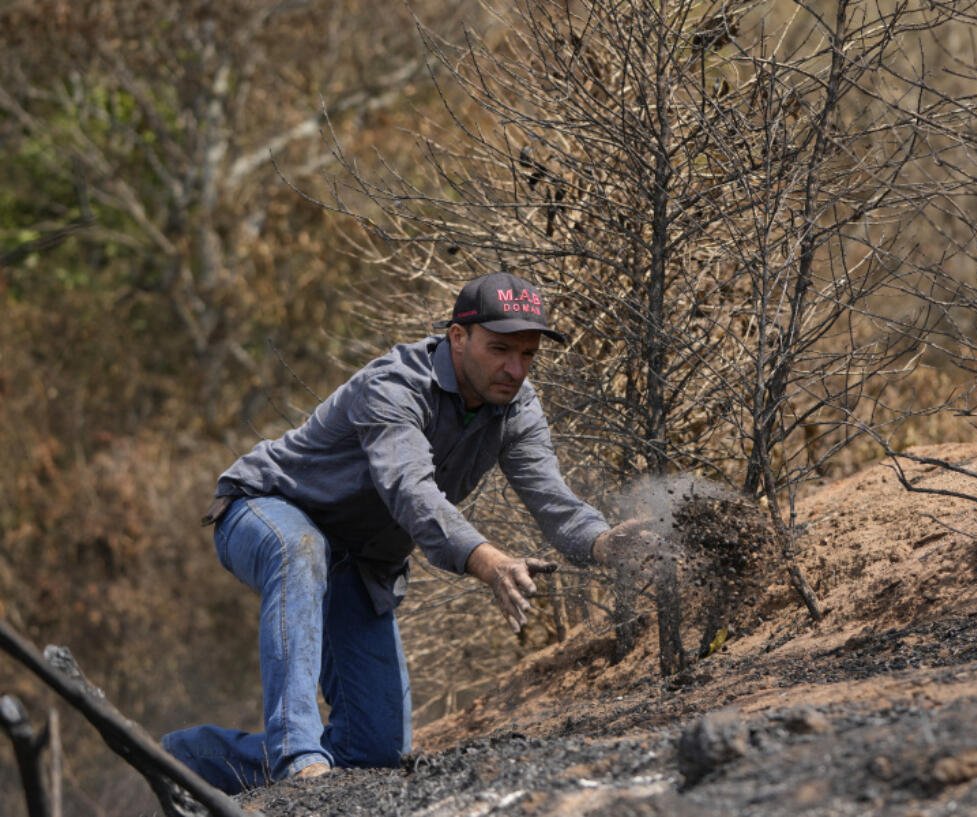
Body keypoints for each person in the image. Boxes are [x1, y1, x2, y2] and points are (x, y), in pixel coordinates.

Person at [161, 272, 637, 794]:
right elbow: (411, 491)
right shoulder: (394, 384)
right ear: (458, 337)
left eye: (527, 354)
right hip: (263, 511)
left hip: (359, 563)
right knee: (302, 548)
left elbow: (555, 504)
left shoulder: (517, 407)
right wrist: (489, 562)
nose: (514, 368)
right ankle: (298, 758)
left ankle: (193, 761)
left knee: (375, 755)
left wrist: (608, 544)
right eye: (500, 349)